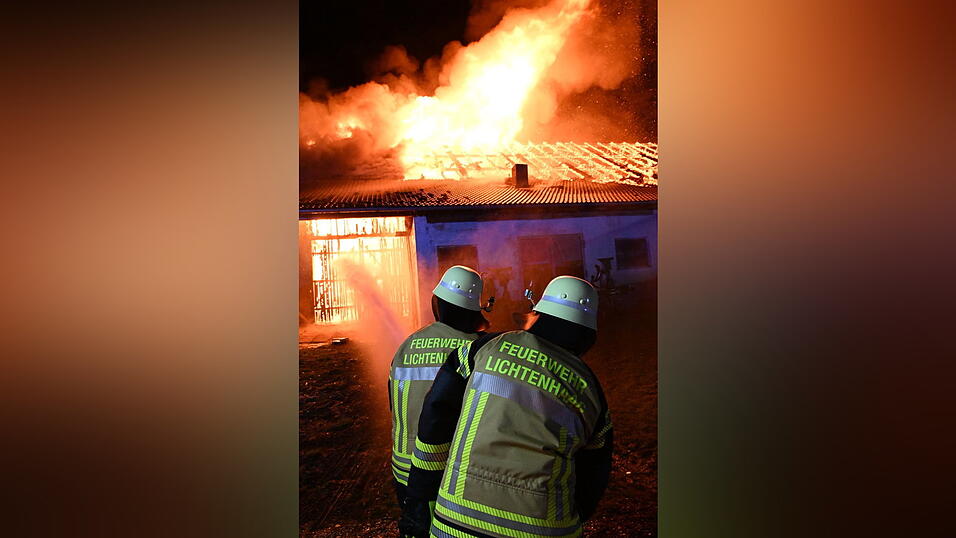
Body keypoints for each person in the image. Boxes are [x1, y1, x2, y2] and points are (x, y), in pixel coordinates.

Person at [399, 276, 613, 538]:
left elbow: (437, 414)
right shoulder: (591, 390)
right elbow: (593, 477)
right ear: (587, 334)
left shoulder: (483, 349)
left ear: (539, 315)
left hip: (459, 521)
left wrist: (420, 494)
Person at [389, 265, 487, 509]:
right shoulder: (475, 351)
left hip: (403, 469)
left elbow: (395, 404)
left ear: (438, 304)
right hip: (446, 469)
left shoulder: (406, 345)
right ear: (473, 310)